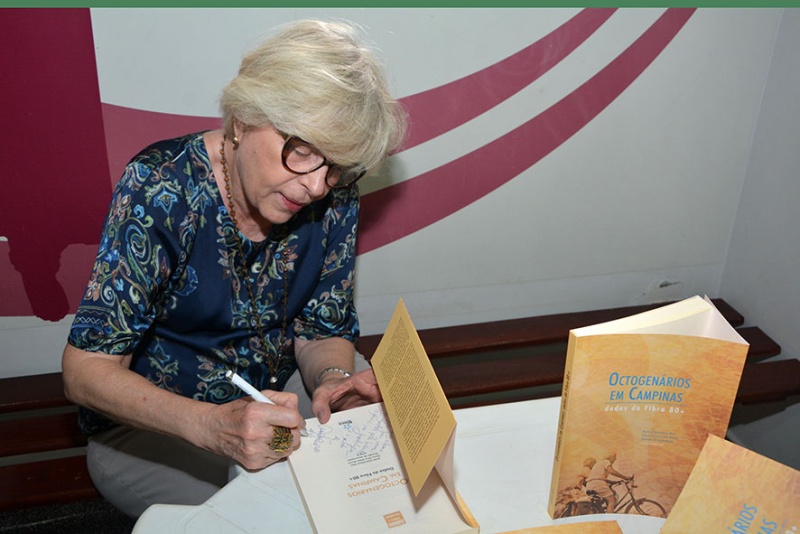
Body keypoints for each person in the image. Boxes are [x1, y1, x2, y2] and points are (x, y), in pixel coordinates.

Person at [61, 19, 406, 519]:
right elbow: (84, 371)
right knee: (264, 516)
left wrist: (332, 380)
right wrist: (210, 426)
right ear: (242, 118)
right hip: (158, 423)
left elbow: (321, 329)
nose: (316, 187)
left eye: (336, 167)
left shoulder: (333, 194)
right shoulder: (162, 188)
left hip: (280, 394)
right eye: (301, 150)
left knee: (372, 482)